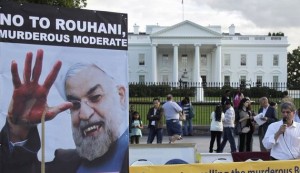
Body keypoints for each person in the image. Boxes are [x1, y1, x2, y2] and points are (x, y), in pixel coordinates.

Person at [0, 49, 129, 173]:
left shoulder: (136, 159)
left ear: (121, 96)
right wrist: (19, 129)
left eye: (95, 97)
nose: (84, 114)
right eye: (74, 104)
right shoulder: (63, 163)